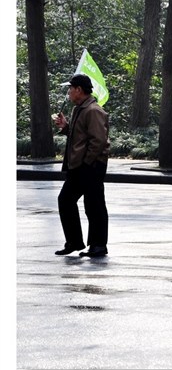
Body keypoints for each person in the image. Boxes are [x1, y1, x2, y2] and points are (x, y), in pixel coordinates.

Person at [53, 74, 110, 257]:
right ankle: (74, 242)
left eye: (71, 88)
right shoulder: (79, 109)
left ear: (79, 90)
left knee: (94, 204)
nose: (69, 92)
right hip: (79, 164)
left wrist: (87, 162)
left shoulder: (93, 110)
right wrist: (66, 127)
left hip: (91, 165)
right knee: (66, 200)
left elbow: (98, 141)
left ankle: (98, 245)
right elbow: (80, 135)